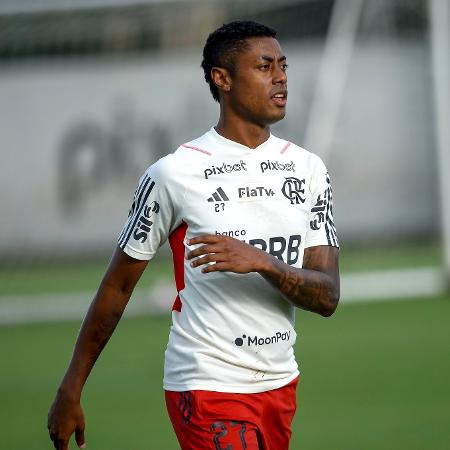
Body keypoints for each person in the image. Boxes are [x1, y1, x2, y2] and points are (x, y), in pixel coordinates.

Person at [48, 20, 340, 450]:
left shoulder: (309, 169)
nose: (280, 77)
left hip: (280, 382)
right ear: (222, 79)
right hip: (206, 383)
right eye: (264, 66)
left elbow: (327, 296)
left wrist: (262, 262)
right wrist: (71, 387)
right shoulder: (174, 173)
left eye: (283, 65)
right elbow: (118, 284)